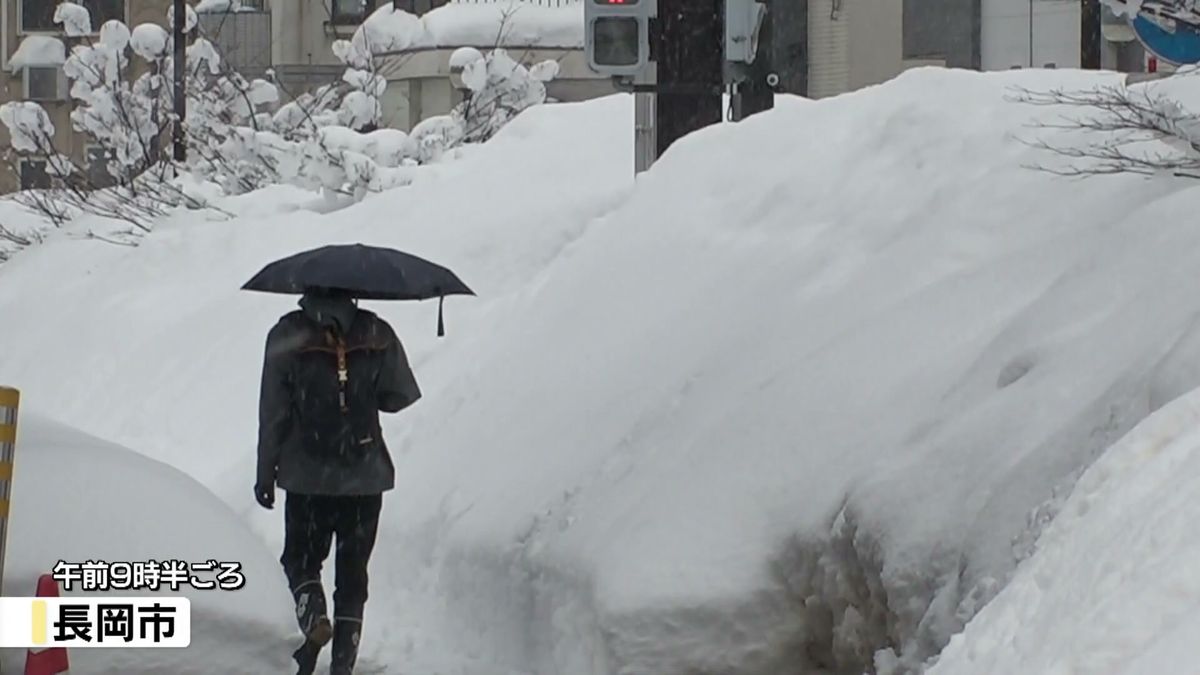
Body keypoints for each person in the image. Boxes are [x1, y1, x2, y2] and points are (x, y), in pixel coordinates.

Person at [254, 287, 421, 675]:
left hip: (307, 477)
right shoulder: (377, 332)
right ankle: (342, 667)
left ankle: (314, 621)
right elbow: (399, 396)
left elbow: (273, 412)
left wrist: (266, 472)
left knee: (301, 560)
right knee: (352, 577)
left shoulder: (286, 335)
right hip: (364, 476)